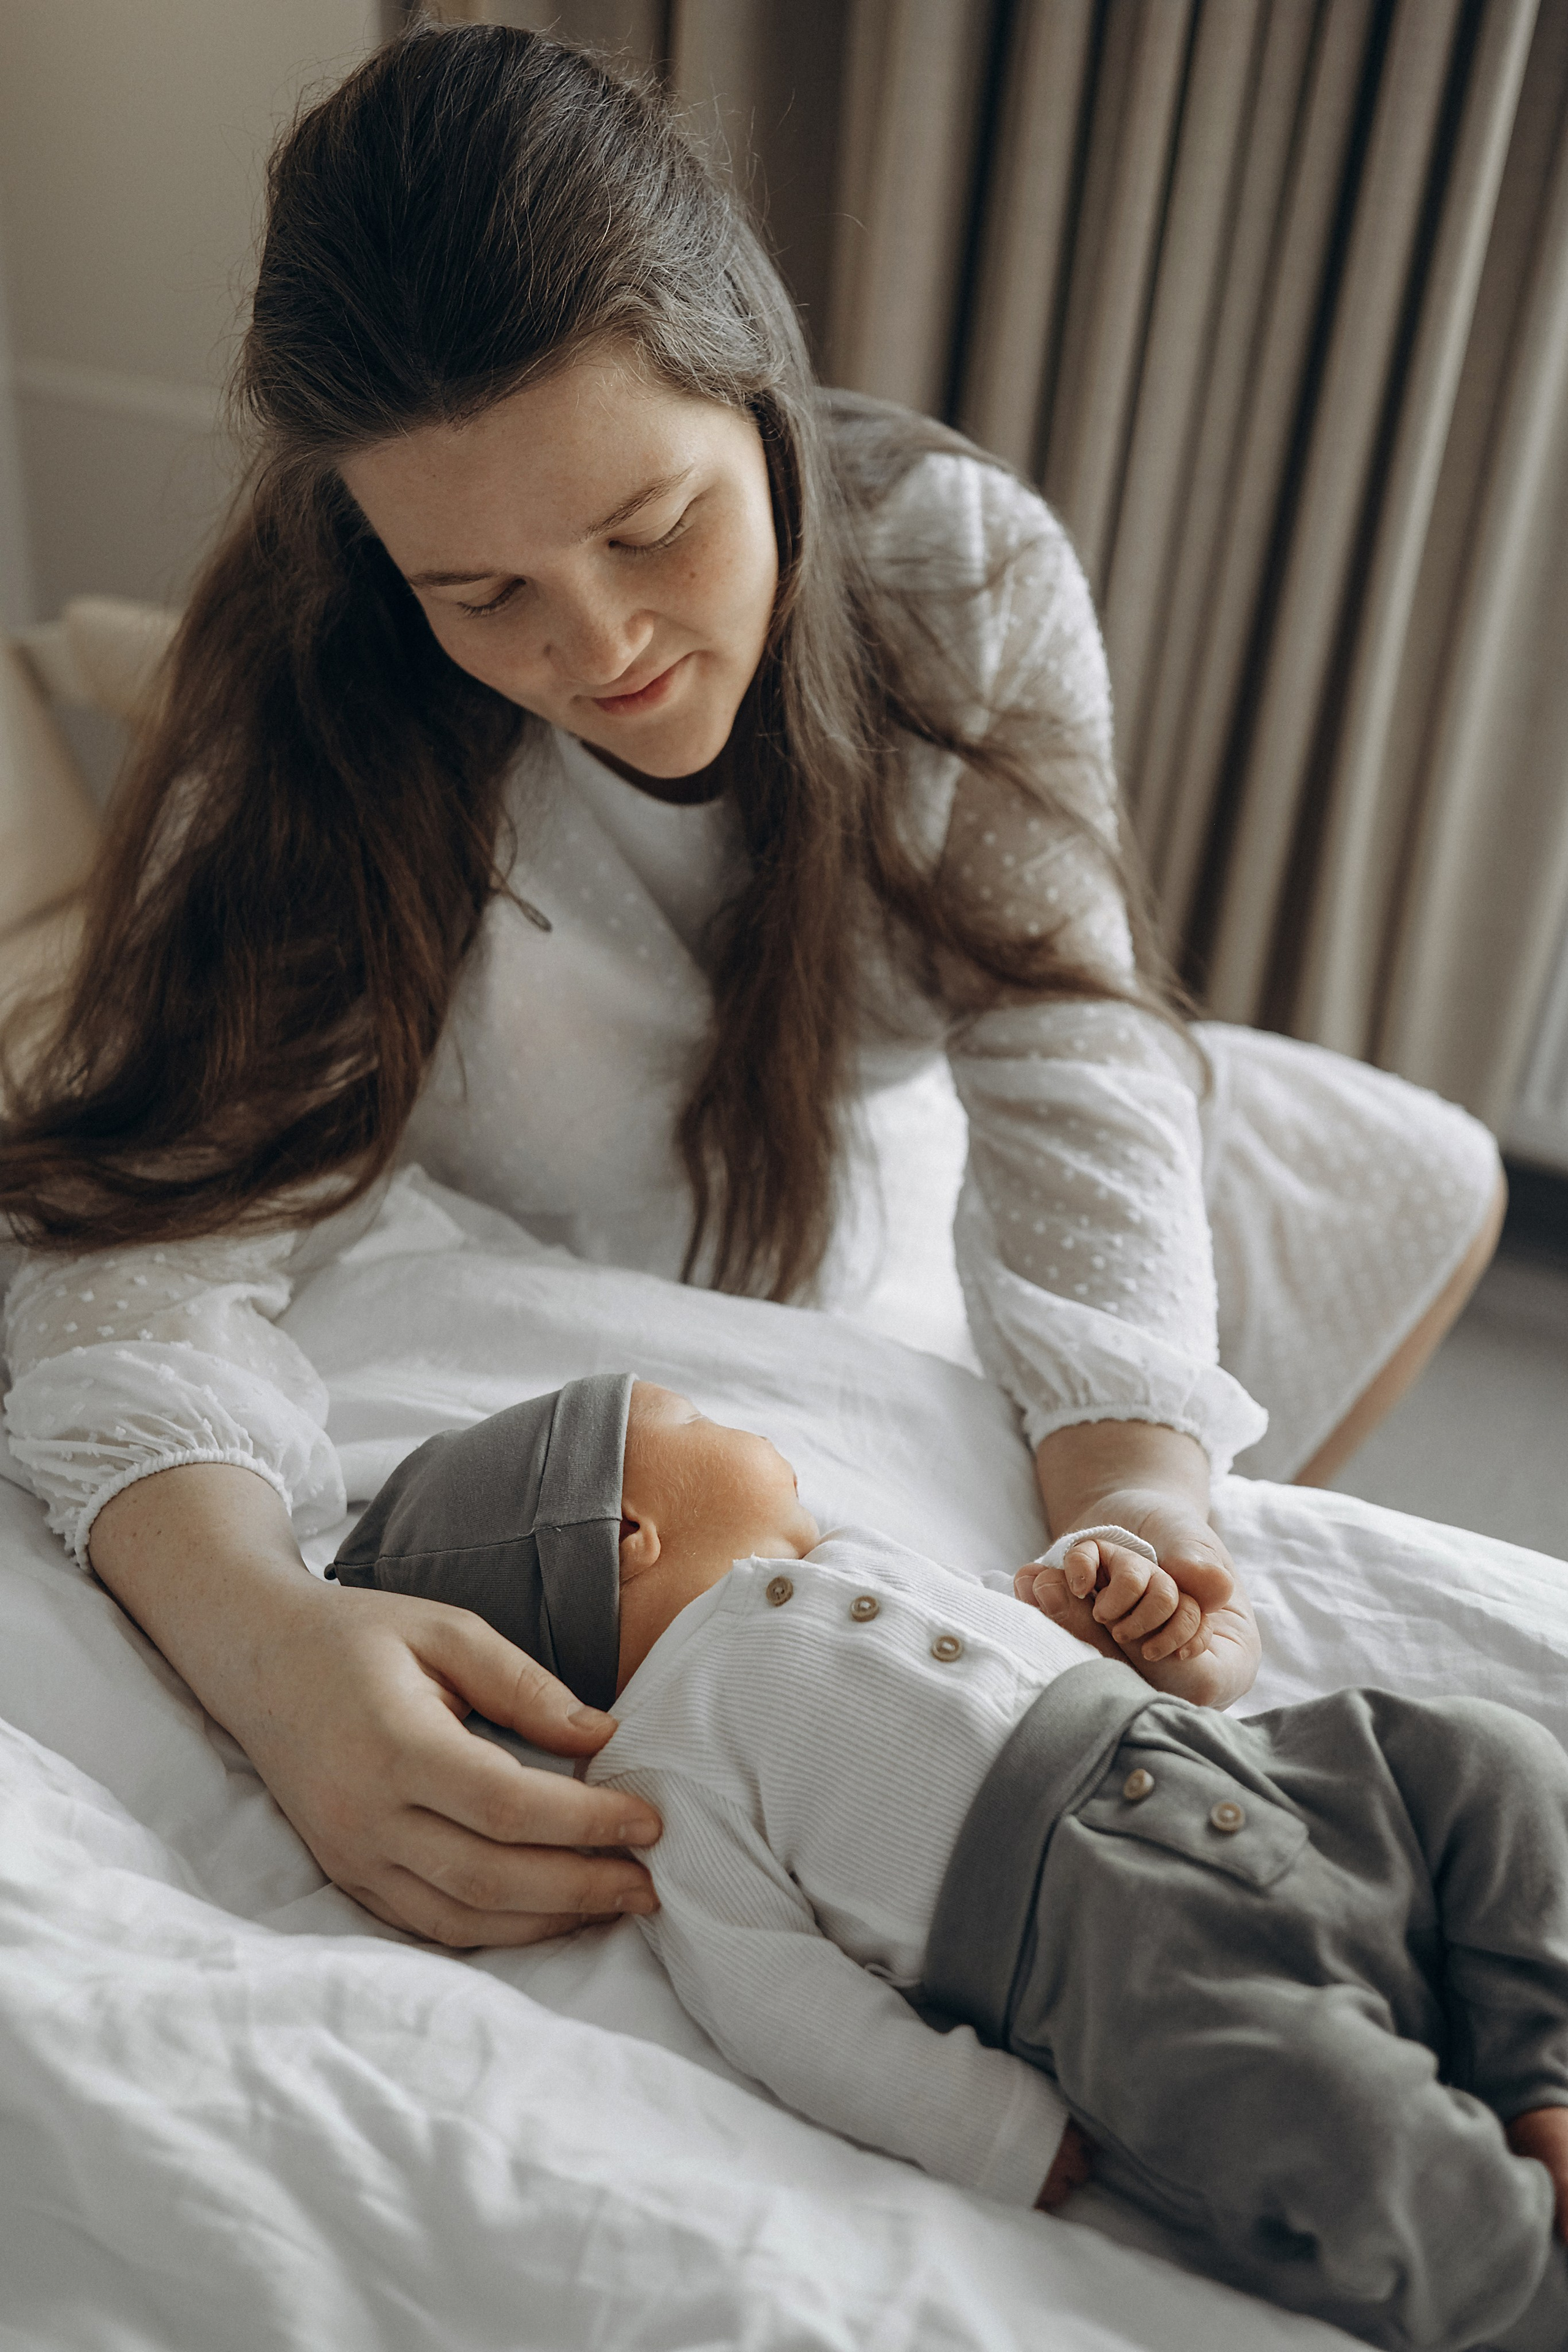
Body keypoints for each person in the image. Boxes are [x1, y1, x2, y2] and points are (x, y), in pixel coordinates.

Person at [0, 23, 1502, 1951]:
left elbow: (1065, 1039)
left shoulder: (956, 571)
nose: (600, 643)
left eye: (652, 531)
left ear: (763, 398)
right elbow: (131, 1240)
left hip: (871, 1164)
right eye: (483, 598)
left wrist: (1144, 1496)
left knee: (1415, 1176)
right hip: (540, 1269)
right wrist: (279, 1657)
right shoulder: (316, 688)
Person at [336, 1371, 1568, 2352]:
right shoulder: (660, 1764)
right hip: (1097, 1946)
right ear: (627, 1531)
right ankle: (1511, 2265)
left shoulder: (852, 1560)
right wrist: (981, 2127)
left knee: (1480, 1753)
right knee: (1312, 2104)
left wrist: (1098, 1597)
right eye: (698, 1419)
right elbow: (772, 1995)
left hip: (1235, 1764)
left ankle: (1530, 2061)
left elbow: (1007, 1618)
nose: (748, 1432)